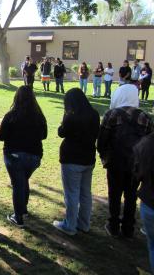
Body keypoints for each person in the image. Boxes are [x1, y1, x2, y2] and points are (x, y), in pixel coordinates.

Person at [97, 84, 153, 238]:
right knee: (131, 195)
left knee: (114, 194)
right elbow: (149, 144)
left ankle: (113, 225)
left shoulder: (112, 114)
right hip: (136, 165)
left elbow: (102, 140)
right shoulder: (145, 117)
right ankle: (128, 227)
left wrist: (104, 156)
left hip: (115, 162)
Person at [52, 88, 100, 236]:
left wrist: (65, 116)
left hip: (72, 159)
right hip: (88, 158)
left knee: (71, 194)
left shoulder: (71, 117)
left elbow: (61, 132)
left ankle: (70, 225)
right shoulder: (94, 114)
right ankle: (84, 224)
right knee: (85, 193)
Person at [0, 86, 47, 227]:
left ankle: (18, 216)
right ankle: (23, 210)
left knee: (18, 184)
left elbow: (1, 136)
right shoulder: (39, 116)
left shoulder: (11, 115)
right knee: (23, 180)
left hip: (15, 156)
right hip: (34, 157)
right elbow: (44, 135)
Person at [134, 132, 154, 273]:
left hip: (150, 203)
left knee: (153, 245)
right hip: (149, 202)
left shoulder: (147, 143)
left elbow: (138, 173)